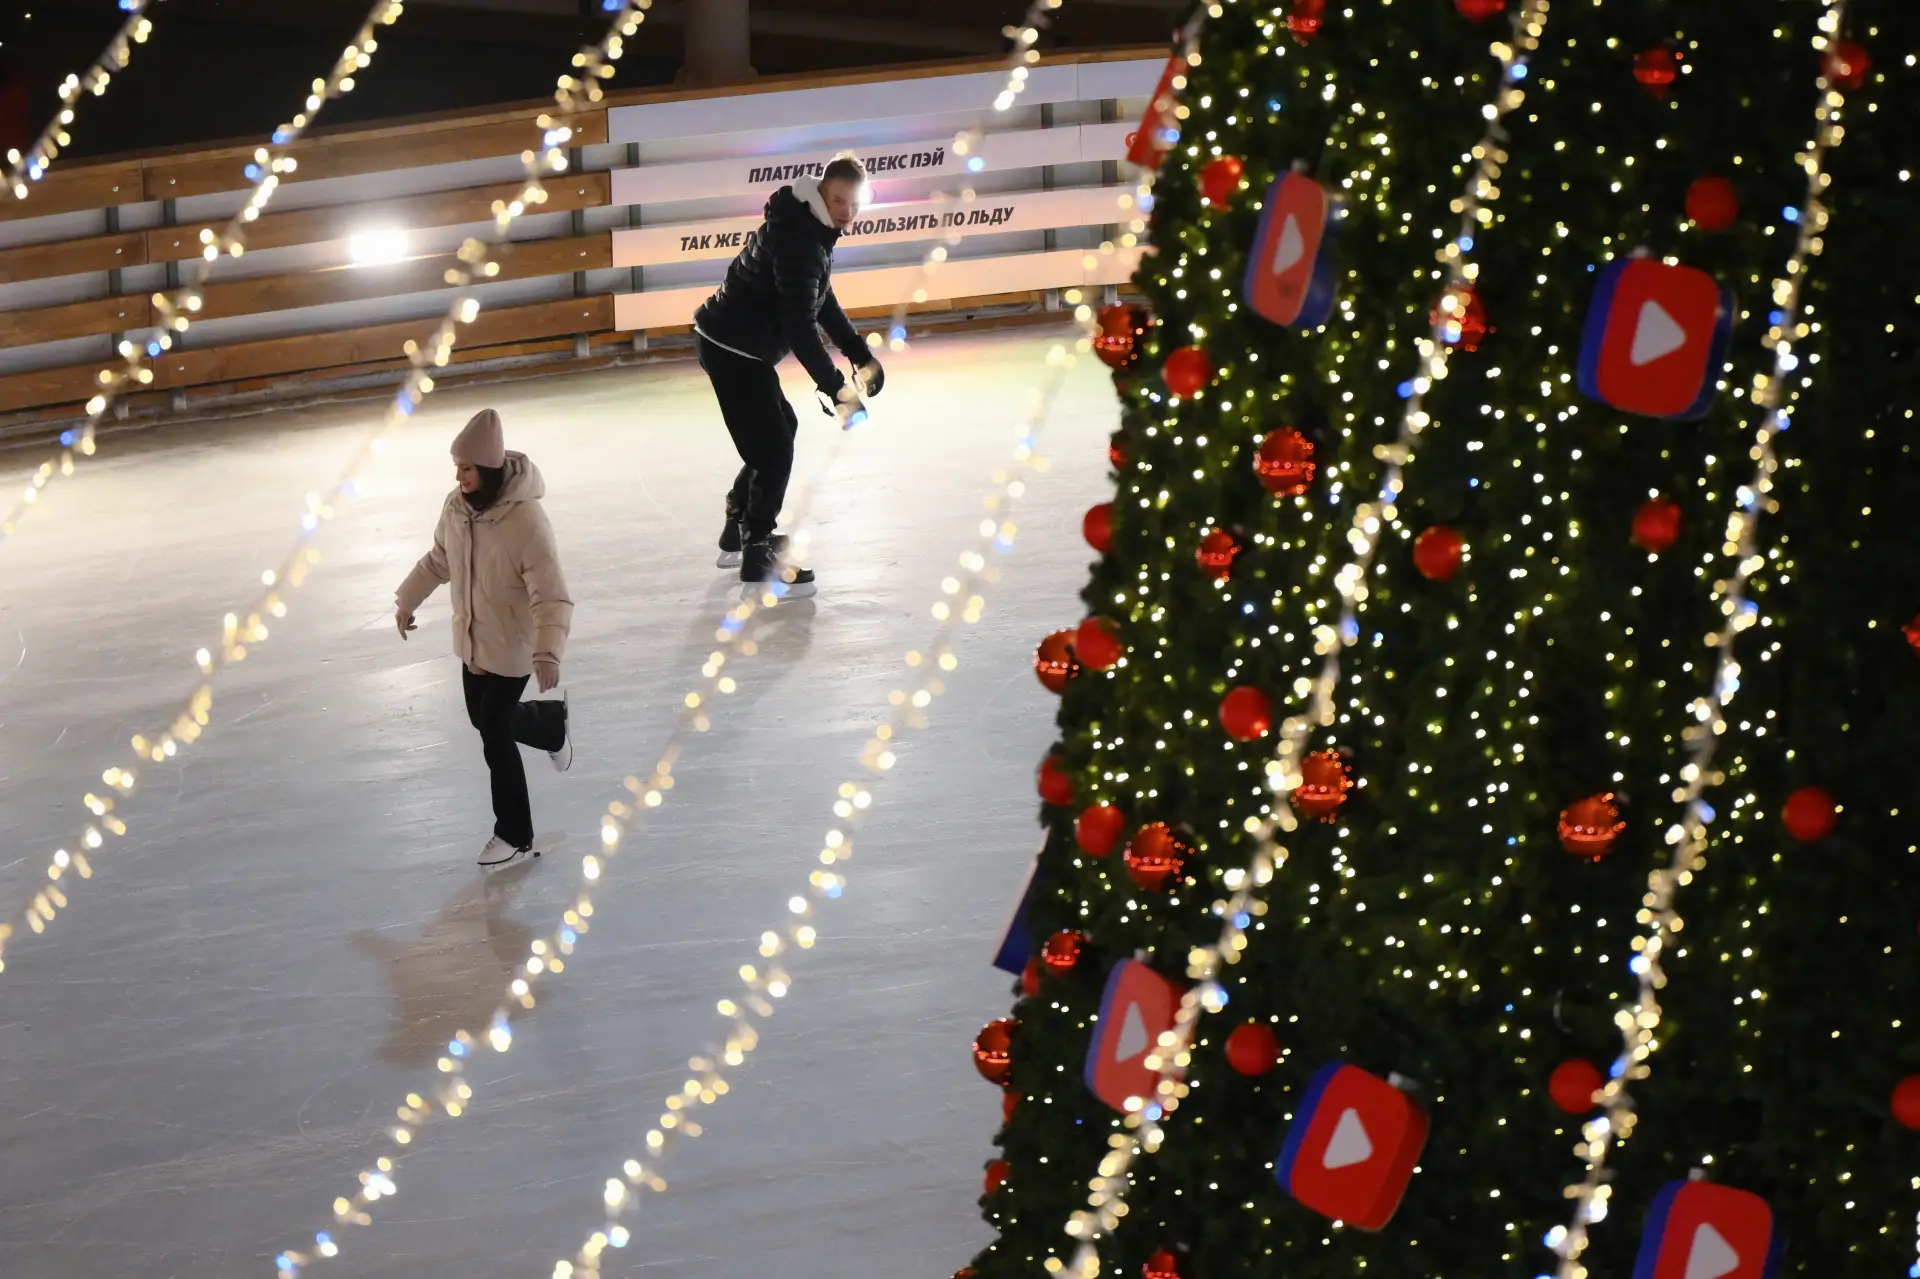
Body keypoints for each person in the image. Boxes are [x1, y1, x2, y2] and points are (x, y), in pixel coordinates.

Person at [693, 153, 887, 596]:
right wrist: (837, 387)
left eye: (854, 204)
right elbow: (801, 328)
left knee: (780, 431)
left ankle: (738, 526)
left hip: (737, 345)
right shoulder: (799, 239)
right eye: (839, 201)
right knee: (774, 448)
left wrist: (859, 354)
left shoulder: (809, 228)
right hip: (733, 348)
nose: (847, 213)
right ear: (821, 191)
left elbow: (821, 297)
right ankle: (756, 548)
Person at [395, 409, 574, 868]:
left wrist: (547, 651)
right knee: (484, 718)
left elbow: (551, 592)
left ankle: (513, 832)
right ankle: (549, 724)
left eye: (467, 468)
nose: (459, 477)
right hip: (474, 637)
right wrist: (407, 601)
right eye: (457, 468)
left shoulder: (526, 521)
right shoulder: (456, 508)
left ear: (489, 469)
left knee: (493, 729)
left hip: (514, 643)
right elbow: (440, 560)